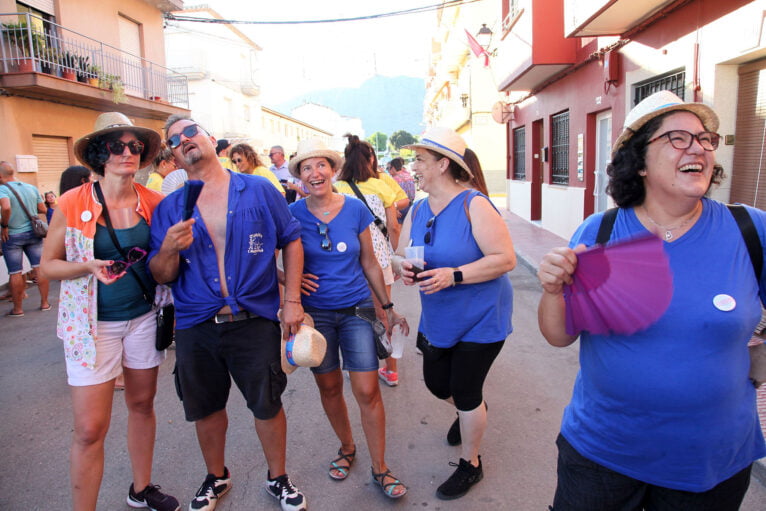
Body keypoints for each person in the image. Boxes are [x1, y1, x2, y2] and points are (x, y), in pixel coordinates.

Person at [536, 90, 766, 510]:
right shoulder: (598, 232)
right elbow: (558, 336)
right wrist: (553, 290)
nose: (698, 147)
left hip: (707, 463)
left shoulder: (750, 230)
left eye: (705, 138)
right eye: (678, 138)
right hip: (601, 456)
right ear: (639, 161)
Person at [148, 115, 307, 511]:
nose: (184, 141)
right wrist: (168, 247)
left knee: (267, 403)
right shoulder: (169, 209)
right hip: (196, 324)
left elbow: (291, 239)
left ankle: (278, 478)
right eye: (174, 141)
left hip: (254, 319)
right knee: (206, 408)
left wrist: (292, 301)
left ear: (210, 138)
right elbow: (161, 275)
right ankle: (216, 476)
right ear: (172, 154)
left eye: (190, 132)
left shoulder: (258, 189)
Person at [38, 112, 178, 511]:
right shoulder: (72, 201)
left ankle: (142, 488)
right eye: (117, 145)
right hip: (90, 326)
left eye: (135, 146)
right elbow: (47, 266)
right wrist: (86, 266)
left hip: (144, 318)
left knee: (142, 405)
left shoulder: (154, 202)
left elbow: (166, 262)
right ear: (101, 154)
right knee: (88, 429)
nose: (127, 152)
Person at [392, 126, 515, 500]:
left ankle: (470, 464)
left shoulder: (473, 204)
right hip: (439, 316)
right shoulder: (417, 207)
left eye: (420, 160)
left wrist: (455, 275)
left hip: (482, 316)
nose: (414, 166)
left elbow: (504, 259)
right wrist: (402, 267)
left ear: (443, 164)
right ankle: (472, 409)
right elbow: (399, 254)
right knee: (437, 384)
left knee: (464, 389)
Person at [287, 138, 410, 499]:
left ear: (333, 169)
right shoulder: (293, 215)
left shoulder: (355, 209)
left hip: (357, 309)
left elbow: (369, 261)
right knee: (328, 388)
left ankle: (380, 468)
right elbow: (277, 263)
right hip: (316, 317)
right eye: (306, 168)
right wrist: (286, 284)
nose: (314, 173)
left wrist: (387, 307)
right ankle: (347, 447)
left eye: (320, 165)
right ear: (300, 177)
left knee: (368, 389)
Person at [334, 134, 402, 387]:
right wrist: (396, 259)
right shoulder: (382, 185)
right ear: (370, 159)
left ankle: (358, 367)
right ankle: (391, 370)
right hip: (379, 258)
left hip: (347, 260)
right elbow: (393, 228)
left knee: (352, 314)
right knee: (384, 311)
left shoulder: (337, 189)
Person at [0, 161, 51, 317]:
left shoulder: (2, 189)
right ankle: (44, 303)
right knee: (39, 268)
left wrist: (4, 225)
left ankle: (18, 309)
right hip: (33, 233)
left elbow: (6, 206)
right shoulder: (30, 187)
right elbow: (43, 209)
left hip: (12, 235)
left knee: (15, 272)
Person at [387, 157, 416, 223]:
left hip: (399, 209)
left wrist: (395, 210)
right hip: (410, 206)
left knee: (400, 230)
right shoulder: (409, 177)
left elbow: (391, 198)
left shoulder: (393, 180)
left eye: (389, 168)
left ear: (393, 168)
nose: (388, 170)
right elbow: (412, 194)